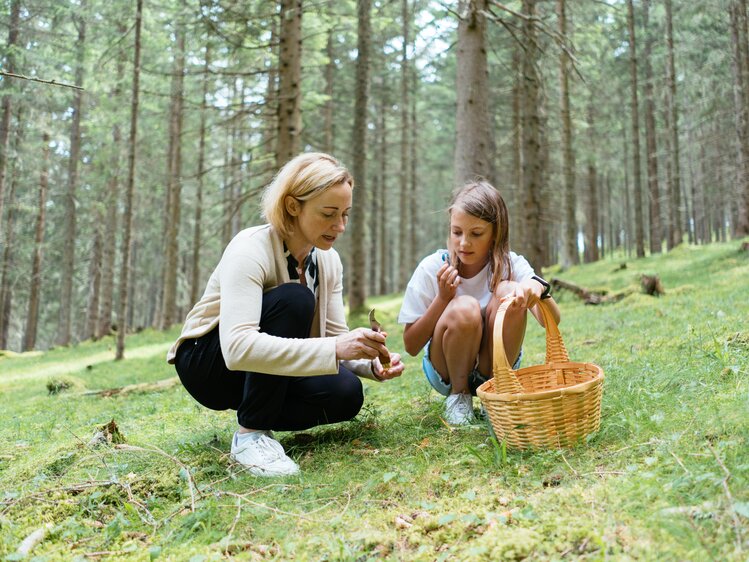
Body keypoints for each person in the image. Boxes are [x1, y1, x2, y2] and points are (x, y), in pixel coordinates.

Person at [167, 152, 404, 477]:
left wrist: (368, 361)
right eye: (329, 214)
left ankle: (259, 416)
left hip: (257, 370)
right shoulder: (249, 249)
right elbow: (237, 349)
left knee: (346, 393)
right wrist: (335, 349)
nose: (340, 226)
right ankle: (251, 437)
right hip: (208, 364)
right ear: (293, 206)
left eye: (346, 214)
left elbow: (334, 338)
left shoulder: (328, 261)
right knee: (295, 299)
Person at [398, 180, 560, 425]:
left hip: (496, 365)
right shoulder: (433, 267)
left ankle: (494, 393)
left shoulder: (511, 264)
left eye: (476, 233)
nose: (464, 243)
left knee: (509, 290)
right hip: (445, 370)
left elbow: (551, 322)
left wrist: (536, 288)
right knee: (465, 308)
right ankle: (458, 397)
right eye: (457, 232)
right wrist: (443, 299)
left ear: (495, 233)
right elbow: (410, 345)